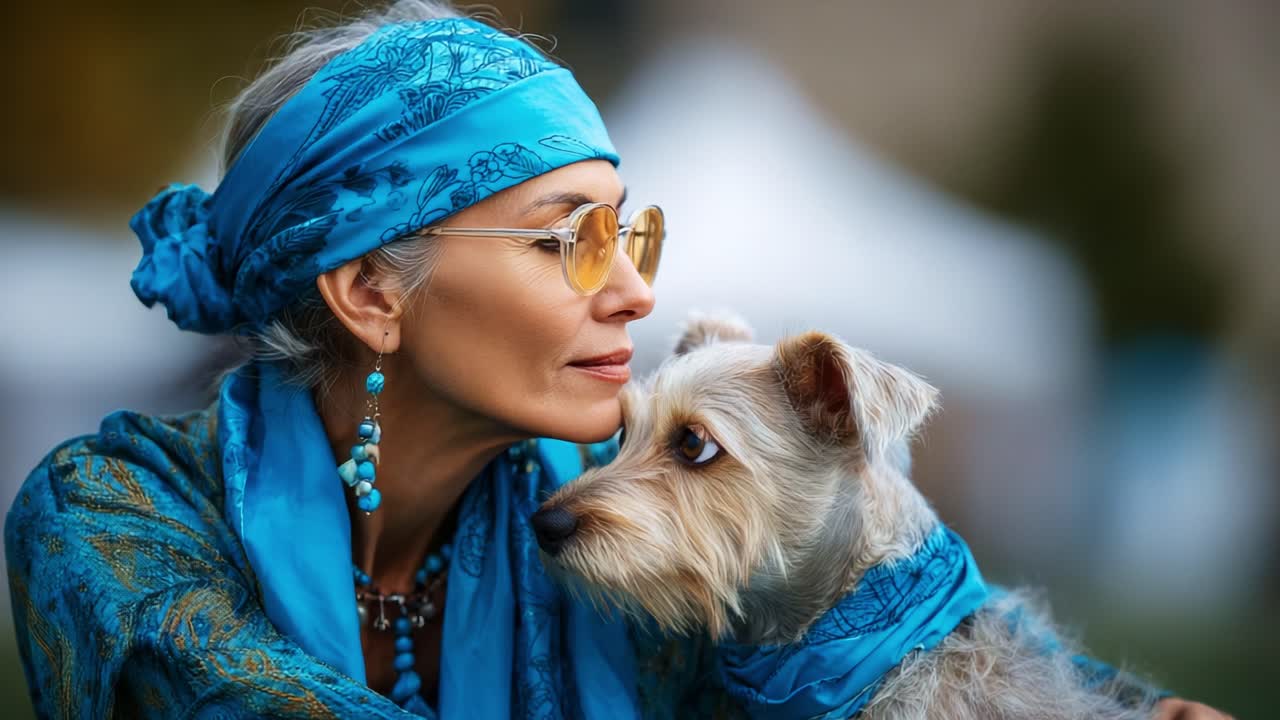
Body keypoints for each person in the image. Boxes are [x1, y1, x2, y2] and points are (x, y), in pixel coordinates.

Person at [3, 1, 1232, 718]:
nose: (636, 291)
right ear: (372, 292)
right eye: (565, 242)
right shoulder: (112, 518)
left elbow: (880, 610)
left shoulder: (613, 529)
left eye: (627, 234)